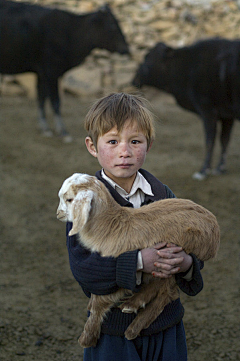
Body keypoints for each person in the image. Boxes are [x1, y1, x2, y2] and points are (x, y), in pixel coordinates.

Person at [66, 92, 204, 361]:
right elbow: (84, 269)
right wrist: (139, 261)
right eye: (113, 141)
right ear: (92, 147)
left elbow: (192, 249)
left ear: (149, 144)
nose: (125, 151)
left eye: (135, 141)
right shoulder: (84, 203)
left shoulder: (164, 196)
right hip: (112, 333)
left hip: (166, 327)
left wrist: (187, 263)